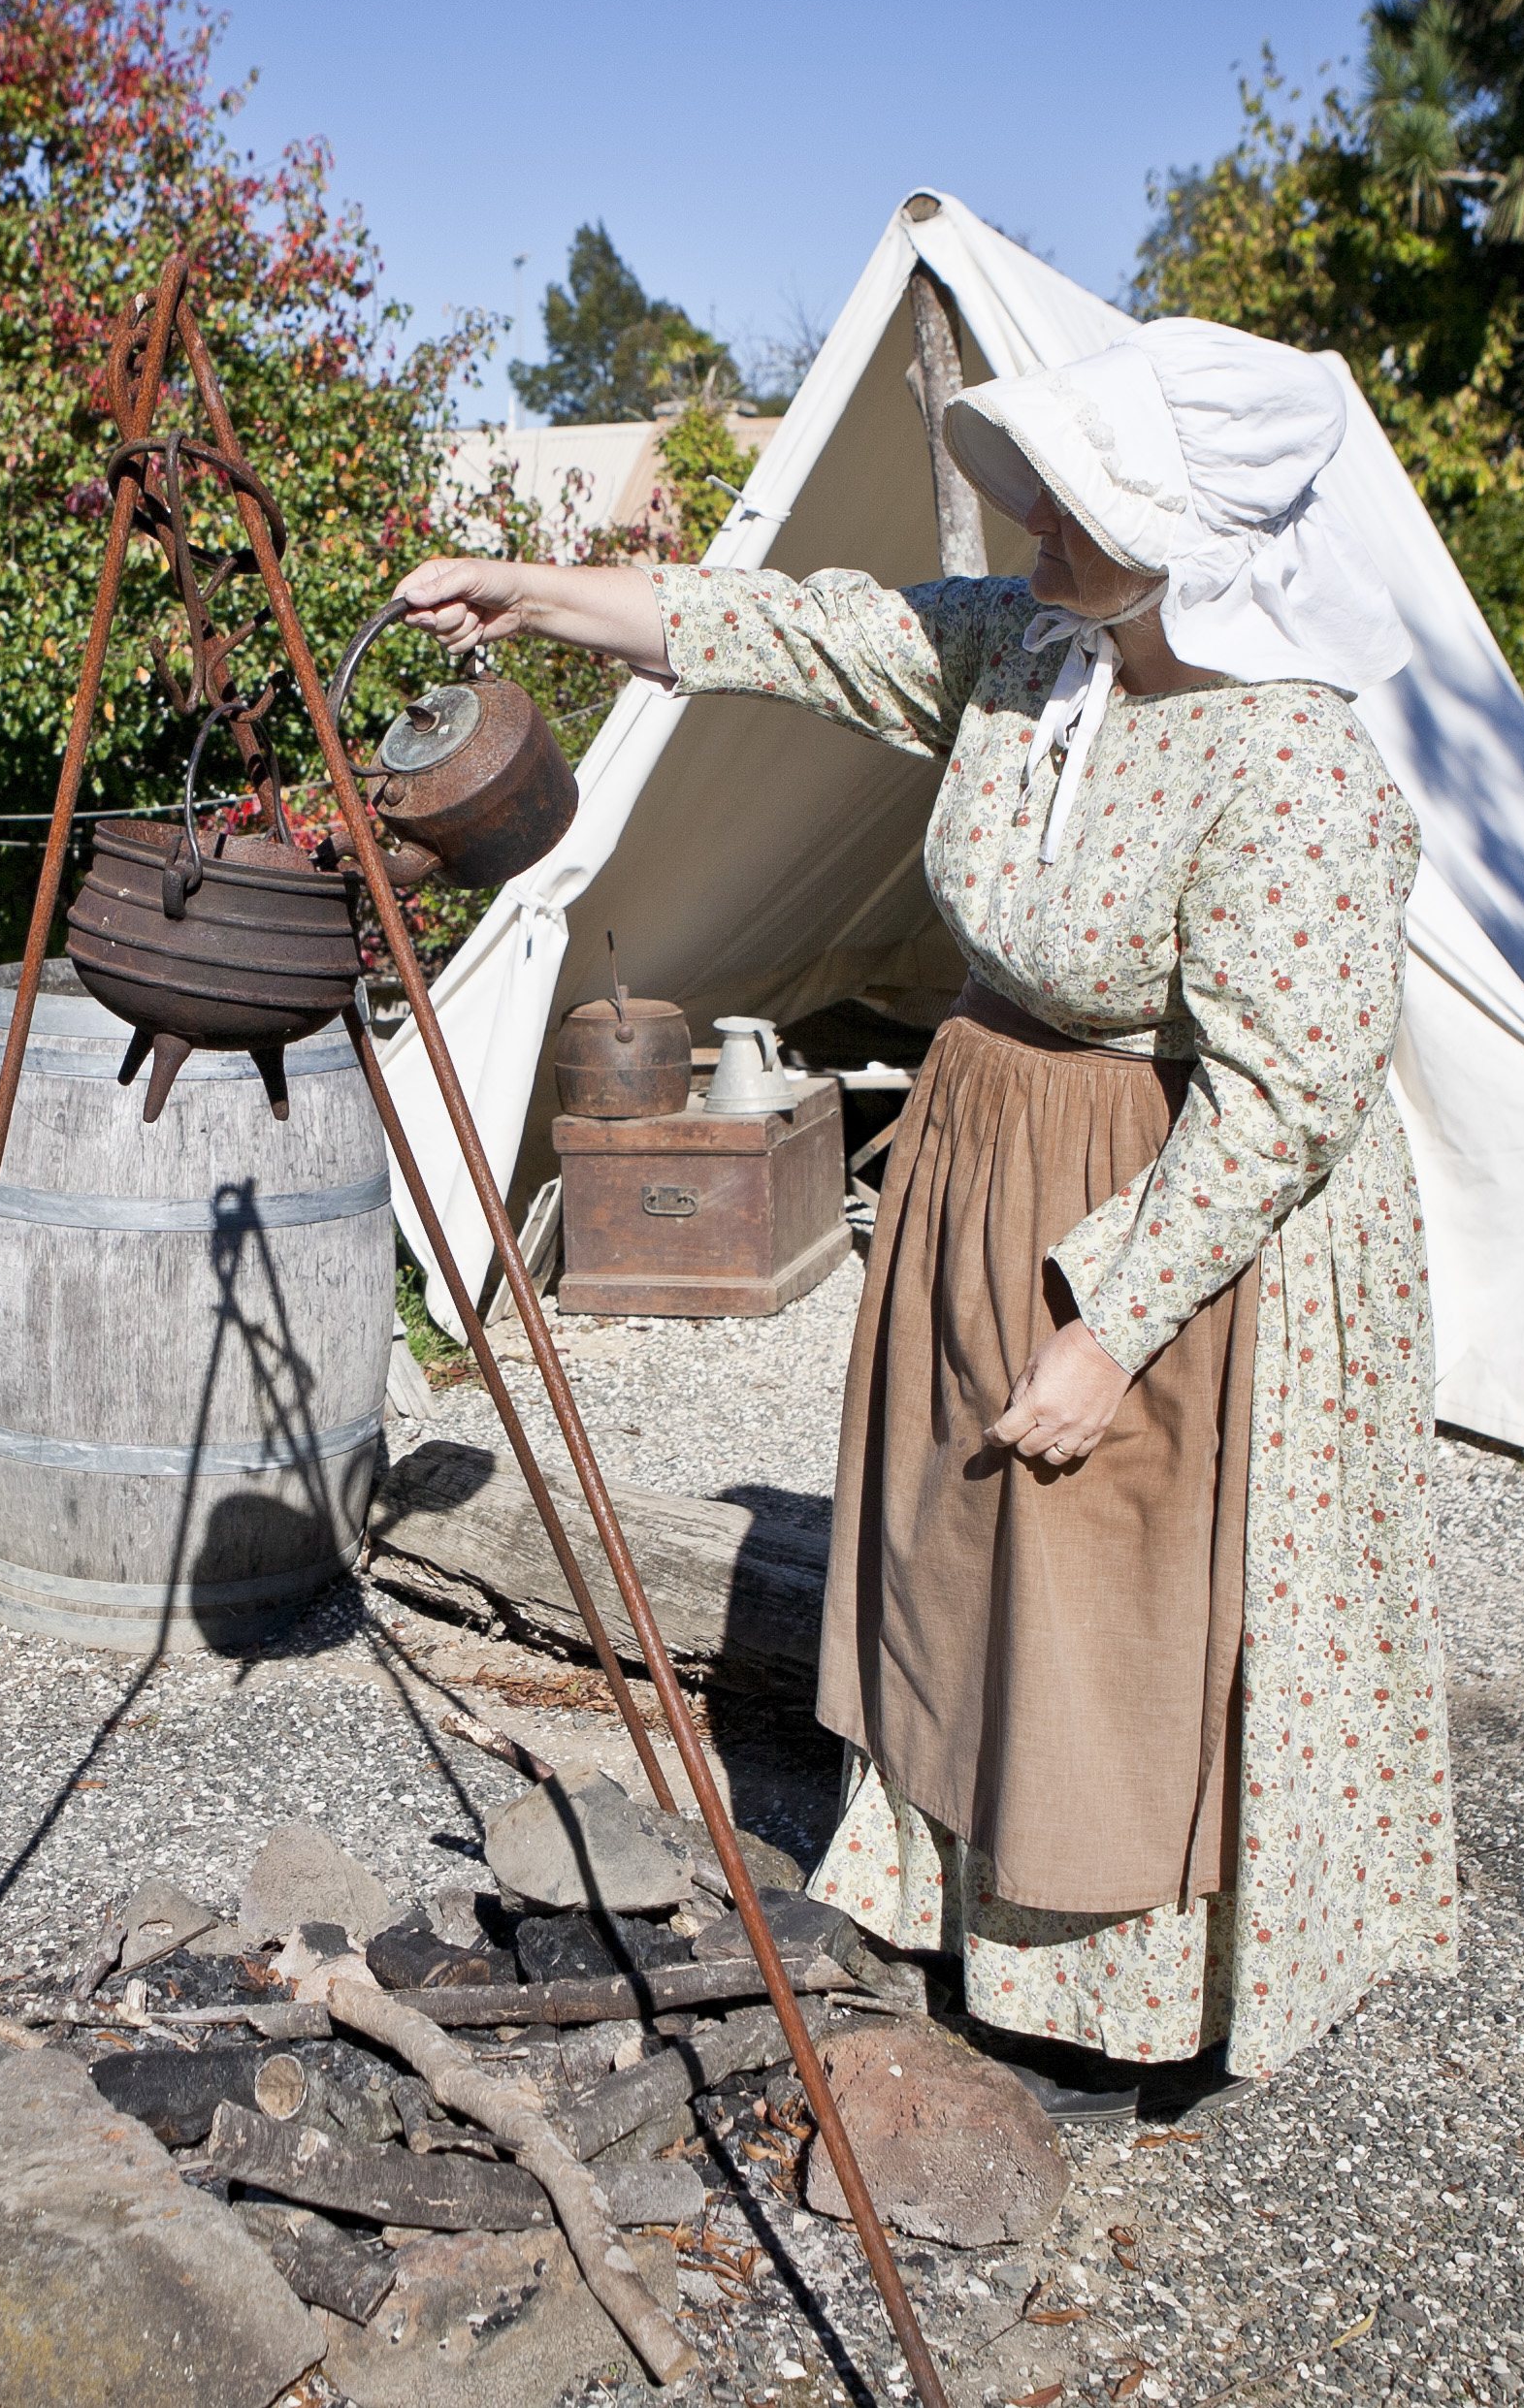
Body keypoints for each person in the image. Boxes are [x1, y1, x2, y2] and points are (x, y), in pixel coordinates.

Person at [392, 318, 1448, 2107]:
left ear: (1198, 529)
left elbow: (1282, 1100)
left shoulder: (1299, 765)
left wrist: (1115, 1327)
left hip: (1181, 1217)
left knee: (1114, 1584)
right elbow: (794, 629)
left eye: (1076, 501)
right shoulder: (1037, 648)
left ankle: (1113, 2002)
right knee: (970, 1560)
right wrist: (531, 590)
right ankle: (961, 1907)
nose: (1030, 522)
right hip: (998, 1140)